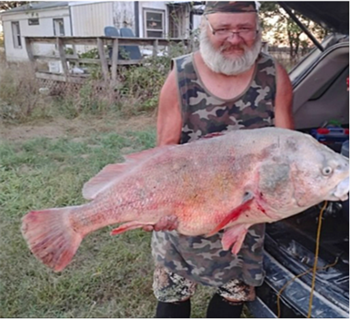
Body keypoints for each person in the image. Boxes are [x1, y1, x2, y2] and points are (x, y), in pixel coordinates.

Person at [149, 2, 294, 318]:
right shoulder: (181, 75)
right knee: (173, 295)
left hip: (243, 214)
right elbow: (164, 154)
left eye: (244, 28)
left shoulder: (274, 76)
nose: (234, 38)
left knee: (234, 296)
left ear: (257, 31)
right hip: (186, 209)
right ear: (205, 29)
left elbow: (288, 150)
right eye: (224, 29)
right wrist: (161, 206)